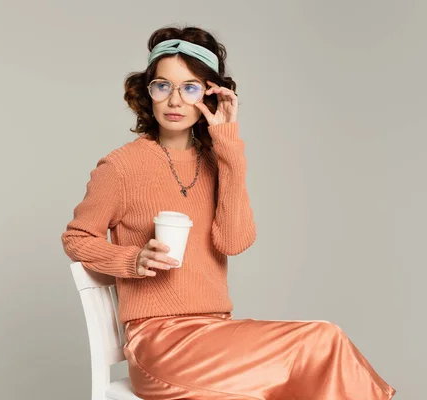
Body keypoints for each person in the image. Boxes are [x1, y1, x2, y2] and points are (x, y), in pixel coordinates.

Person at [61, 25, 396, 399]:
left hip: (217, 333)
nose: (175, 100)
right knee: (318, 343)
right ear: (148, 92)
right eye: (162, 85)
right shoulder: (121, 166)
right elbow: (77, 238)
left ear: (210, 96)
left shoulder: (217, 164)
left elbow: (233, 242)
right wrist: (131, 259)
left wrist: (230, 147)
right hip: (159, 343)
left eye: (190, 88)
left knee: (319, 355)